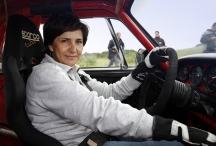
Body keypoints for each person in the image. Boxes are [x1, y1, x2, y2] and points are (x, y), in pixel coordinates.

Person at [25, 13, 216, 146]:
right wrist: (171, 128)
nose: (74, 49)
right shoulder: (47, 76)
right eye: (65, 41)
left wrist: (144, 67)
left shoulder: (73, 71)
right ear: (50, 44)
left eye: (79, 41)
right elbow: (101, 112)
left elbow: (110, 93)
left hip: (97, 136)